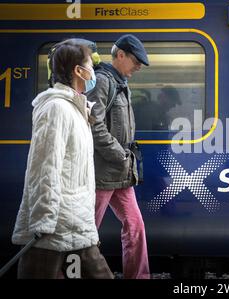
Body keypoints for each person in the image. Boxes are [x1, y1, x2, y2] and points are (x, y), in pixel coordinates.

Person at [12, 41, 113, 279]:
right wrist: (42, 222)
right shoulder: (57, 108)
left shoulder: (77, 110)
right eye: (90, 66)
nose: (94, 73)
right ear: (79, 71)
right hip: (55, 226)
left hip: (76, 221)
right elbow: (44, 167)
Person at [86, 34, 150, 279]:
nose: (138, 67)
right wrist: (119, 155)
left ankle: (139, 276)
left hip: (121, 173)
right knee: (86, 232)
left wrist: (124, 160)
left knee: (135, 227)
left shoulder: (121, 82)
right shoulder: (103, 81)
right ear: (120, 55)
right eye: (135, 61)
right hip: (103, 172)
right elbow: (94, 126)